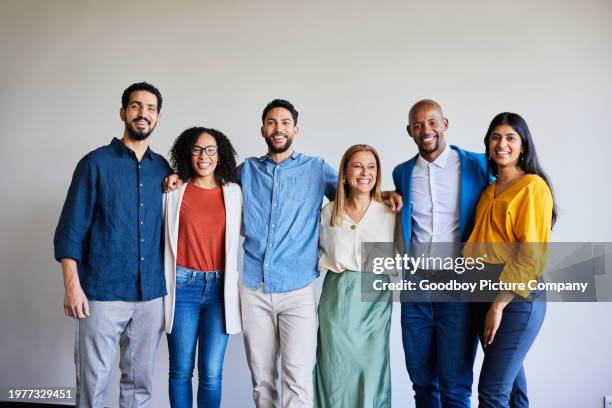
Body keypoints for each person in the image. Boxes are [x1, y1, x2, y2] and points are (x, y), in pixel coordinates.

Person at [164, 99, 402, 407]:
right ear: (263, 129)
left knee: (298, 379)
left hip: (298, 289)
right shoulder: (246, 170)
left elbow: (354, 191)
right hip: (254, 289)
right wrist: (177, 177)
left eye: (285, 122)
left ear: (295, 129)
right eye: (272, 122)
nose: (279, 128)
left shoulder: (316, 169)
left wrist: (388, 194)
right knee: (262, 381)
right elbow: (208, 180)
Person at [53, 82, 171, 407]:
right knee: (93, 385)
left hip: (151, 297)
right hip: (101, 294)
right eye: (135, 106)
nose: (142, 113)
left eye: (150, 108)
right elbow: (70, 230)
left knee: (140, 386)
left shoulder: (164, 170)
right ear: (123, 113)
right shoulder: (95, 164)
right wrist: (72, 288)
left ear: (158, 118)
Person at [392, 99, 492, 407]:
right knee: (422, 383)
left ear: (445, 124)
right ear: (409, 131)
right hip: (416, 291)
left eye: (432, 122)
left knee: (456, 386)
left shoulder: (477, 164)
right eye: (418, 125)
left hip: (459, 290)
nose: (426, 130)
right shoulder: (402, 174)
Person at [463, 112, 556, 408]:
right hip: (481, 293)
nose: (501, 144)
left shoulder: (532, 186)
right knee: (512, 391)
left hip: (515, 298)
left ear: (523, 146)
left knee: (491, 391)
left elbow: (531, 253)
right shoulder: (488, 190)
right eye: (495, 137)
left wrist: (498, 304)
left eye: (510, 137)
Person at [163, 127, 242, 408]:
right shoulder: (173, 191)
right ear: (188, 153)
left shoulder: (234, 193)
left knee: (211, 374)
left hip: (220, 292)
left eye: (210, 149)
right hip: (183, 286)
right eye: (197, 149)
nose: (203, 155)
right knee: (181, 371)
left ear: (220, 155)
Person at [314, 144, 396, 408]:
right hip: (338, 296)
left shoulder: (390, 210)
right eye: (358, 166)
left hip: (375, 294)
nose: (365, 173)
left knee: (372, 370)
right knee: (334, 370)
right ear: (345, 173)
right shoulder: (328, 213)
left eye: (371, 166)